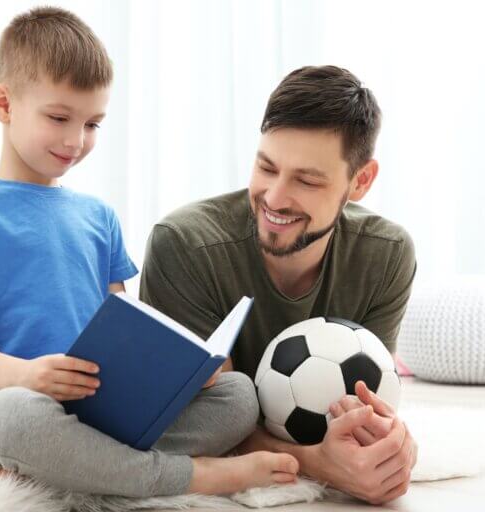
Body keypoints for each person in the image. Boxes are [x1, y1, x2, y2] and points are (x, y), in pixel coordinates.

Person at [0, 6, 298, 498]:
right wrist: (27, 376)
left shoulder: (99, 217)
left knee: (239, 395)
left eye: (93, 124)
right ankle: (192, 475)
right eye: (58, 118)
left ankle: (72, 467)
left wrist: (179, 374)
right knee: (19, 419)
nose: (76, 141)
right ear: (4, 104)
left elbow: (126, 325)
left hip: (96, 414)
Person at [140, 65, 418, 504]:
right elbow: (205, 424)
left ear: (360, 180)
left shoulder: (385, 254)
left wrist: (390, 448)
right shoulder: (184, 246)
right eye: (266, 167)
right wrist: (315, 464)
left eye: (306, 180)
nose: (273, 197)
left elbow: (367, 404)